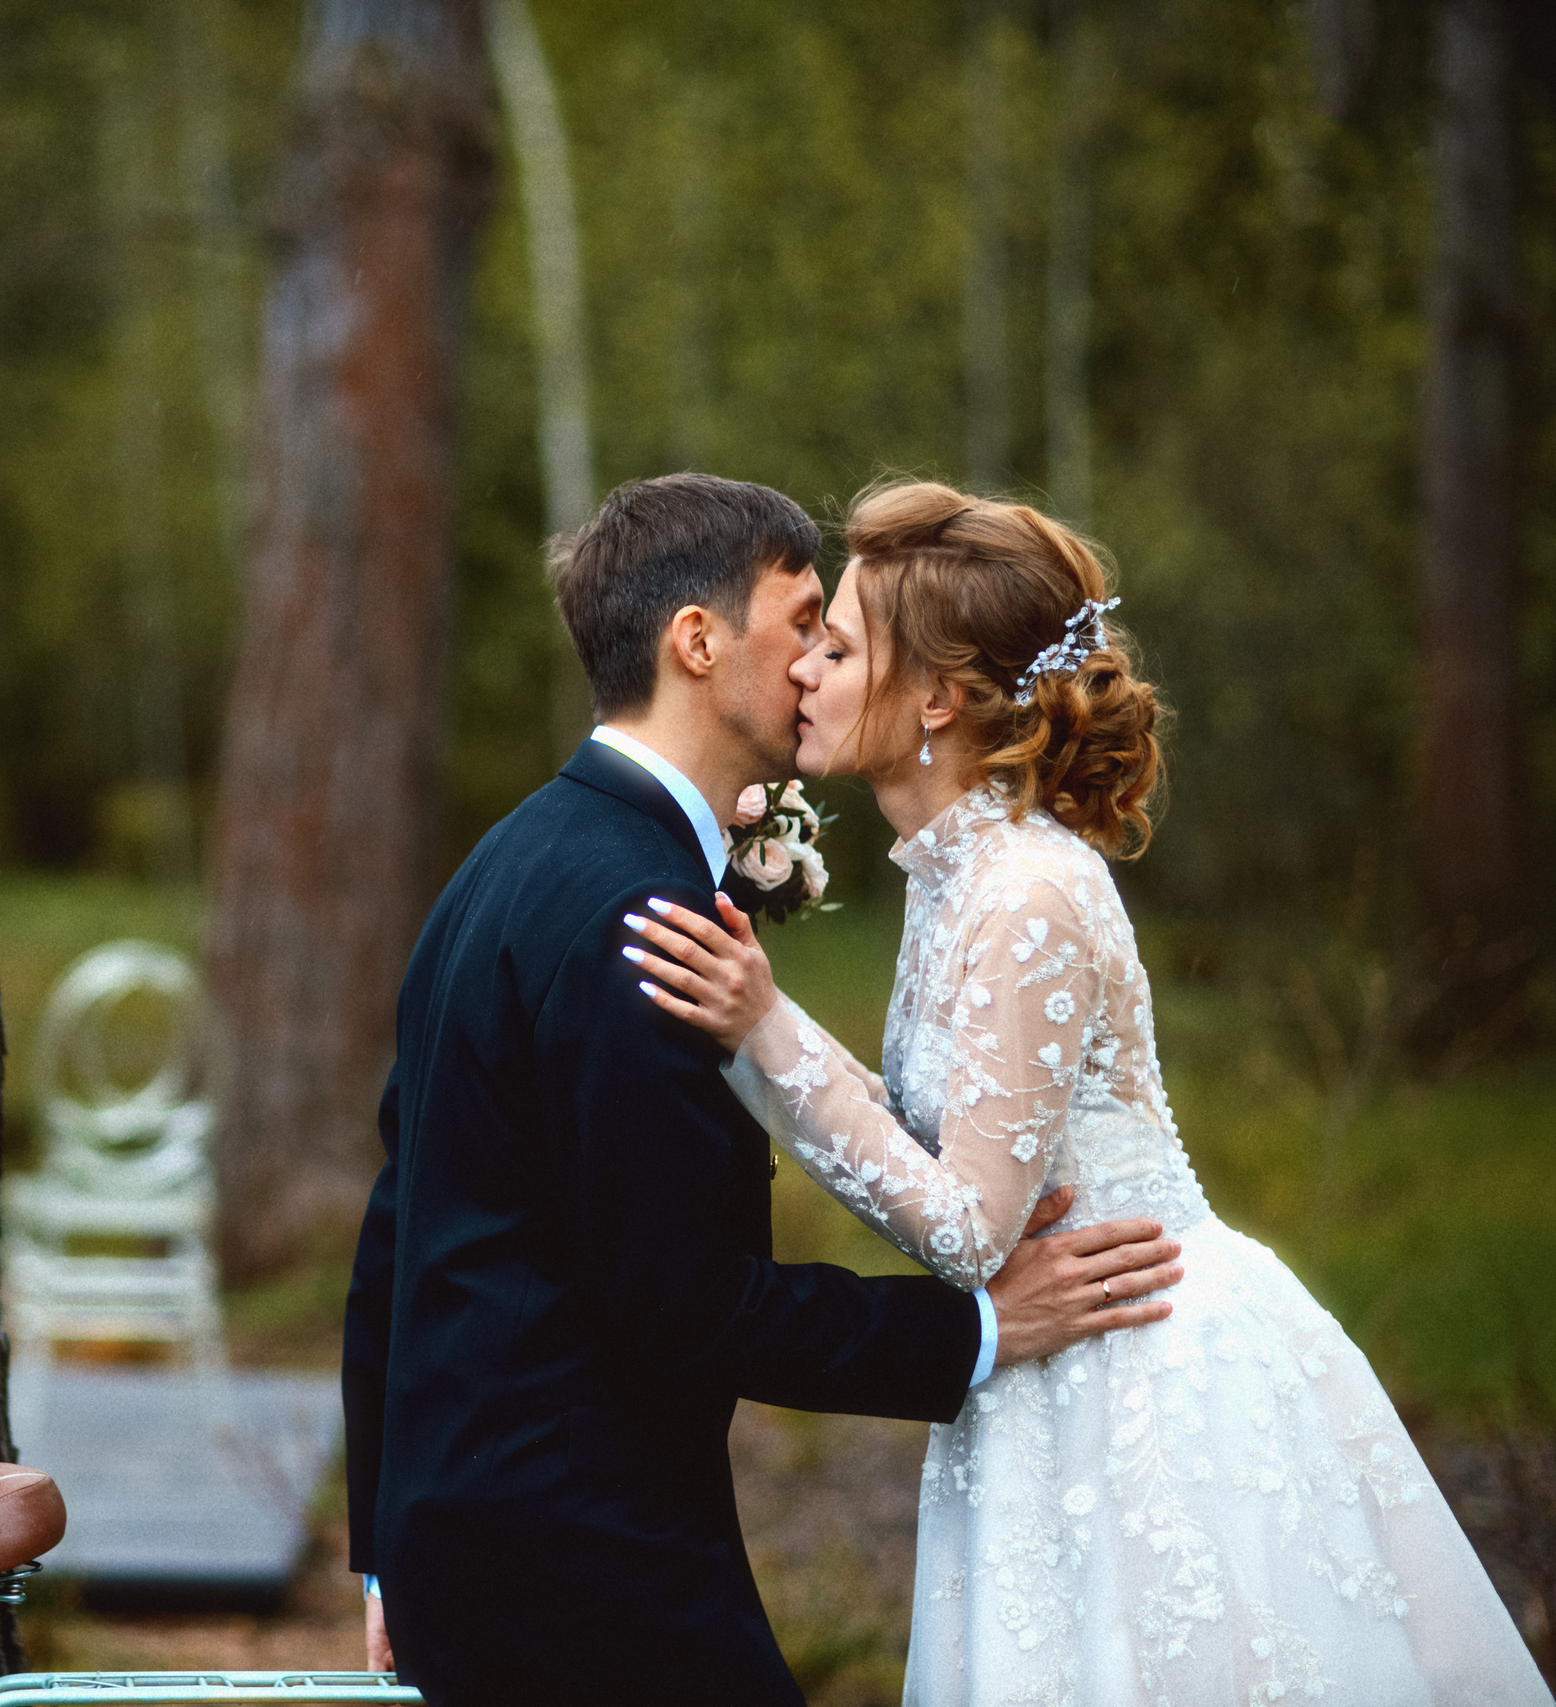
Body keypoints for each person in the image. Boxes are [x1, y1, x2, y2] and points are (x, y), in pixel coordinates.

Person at [624, 480, 1553, 1706]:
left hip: (1138, 1368)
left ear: (936, 699)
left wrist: (767, 1028)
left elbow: (970, 1229)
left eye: (837, 649)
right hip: (1047, 1365)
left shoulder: (1029, 891)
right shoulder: (955, 875)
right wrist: (757, 1038)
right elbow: (933, 1138)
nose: (804, 670)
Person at [342, 473, 1187, 1707]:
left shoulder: (509, 858)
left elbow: (398, 1228)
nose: (815, 665)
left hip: (480, 1537)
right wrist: (979, 1332)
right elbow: (683, 1303)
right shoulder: (644, 916)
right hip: (579, 1562)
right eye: (803, 626)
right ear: (697, 642)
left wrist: (386, 1549)